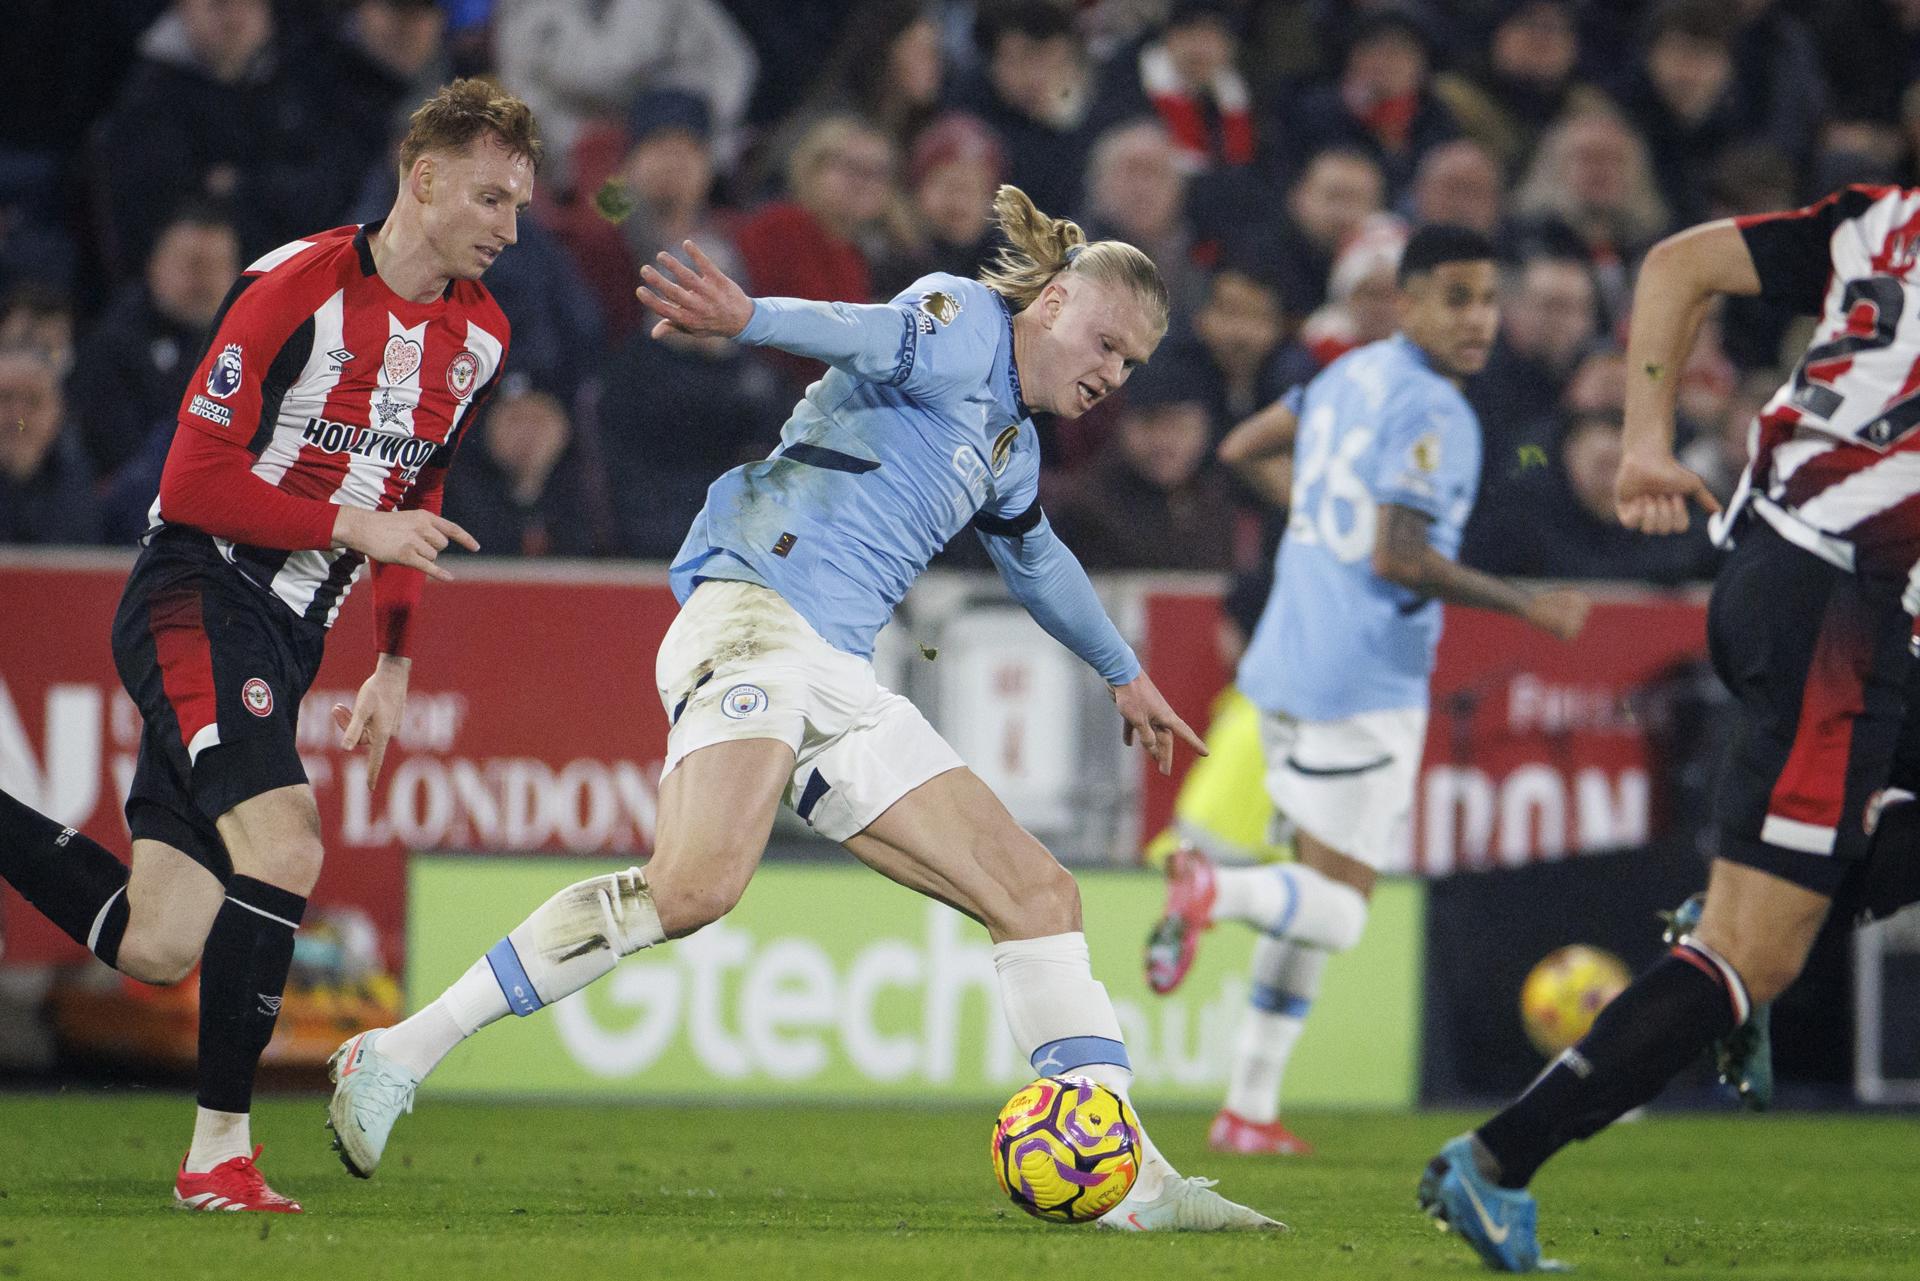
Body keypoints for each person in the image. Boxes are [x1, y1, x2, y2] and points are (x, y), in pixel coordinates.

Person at [327, 183, 1282, 1232]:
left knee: (1041, 896)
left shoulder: (1013, 444)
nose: (1112, 375)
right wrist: (750, 319)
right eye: (1106, 345)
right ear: (1051, 304)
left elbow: (1038, 559)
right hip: (755, 616)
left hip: (835, 668)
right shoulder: (964, 324)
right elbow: (866, 335)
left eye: (1131, 366)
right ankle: (396, 1052)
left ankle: (1133, 1184)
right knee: (694, 888)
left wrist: (1122, 672)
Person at [0, 79, 536, 1213]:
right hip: (197, 590)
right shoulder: (295, 285)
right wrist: (356, 524)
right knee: (286, 848)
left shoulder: (481, 337)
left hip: (292, 633)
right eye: (491, 197)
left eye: (522, 206)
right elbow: (192, 479)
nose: (508, 226)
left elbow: (418, 492)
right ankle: (218, 1160)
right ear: (423, 178)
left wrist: (392, 661)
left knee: (157, 943)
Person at [1418, 184, 1920, 1271]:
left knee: (1777, 919)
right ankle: (1497, 1162)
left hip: (1788, 575)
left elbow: (1674, 264)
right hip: (1840, 616)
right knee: (1749, 953)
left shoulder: (1883, 220)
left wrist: (1649, 442)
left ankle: (1729, 933)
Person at [1144, 225, 1592, 1157]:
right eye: (1457, 298)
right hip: (1363, 679)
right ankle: (1213, 889)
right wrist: (1526, 604)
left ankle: (1248, 1107)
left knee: (1313, 894)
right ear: (1410, 299)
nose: (1479, 320)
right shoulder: (1437, 412)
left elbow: (1242, 446)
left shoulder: (1347, 374)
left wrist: (1317, 519)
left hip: (1285, 666)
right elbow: (1401, 556)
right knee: (1342, 908)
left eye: (1488, 299)